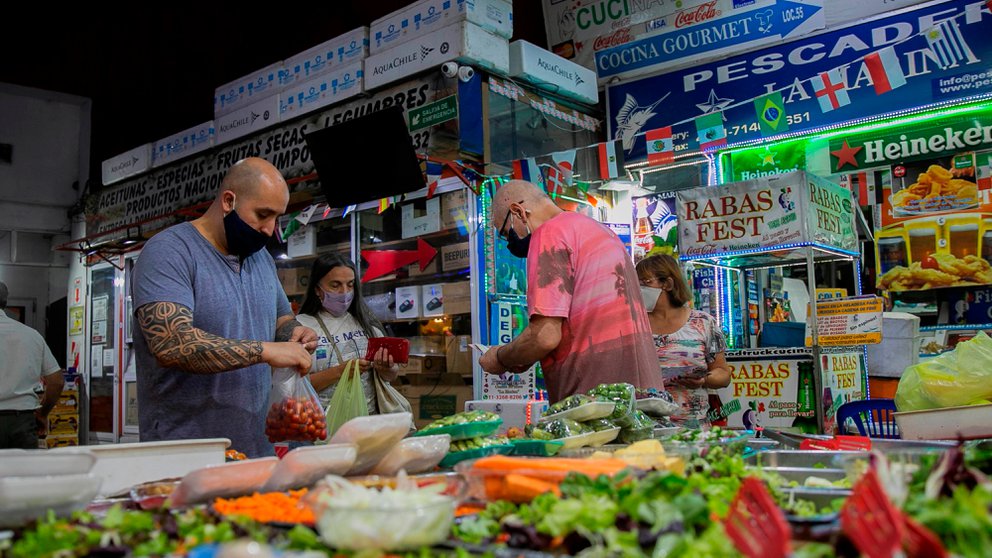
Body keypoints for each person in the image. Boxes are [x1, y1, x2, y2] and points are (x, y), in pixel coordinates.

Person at [132, 158, 317, 458]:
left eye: (277, 218)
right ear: (229, 201)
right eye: (263, 215)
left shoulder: (261, 260)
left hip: (255, 450)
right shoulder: (170, 252)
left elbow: (281, 319)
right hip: (183, 454)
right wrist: (265, 351)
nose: (270, 230)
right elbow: (170, 344)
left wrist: (296, 334)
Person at [479, 180, 664, 402]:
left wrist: (500, 357)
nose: (510, 243)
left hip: (595, 402)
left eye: (505, 232)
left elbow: (544, 336)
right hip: (642, 393)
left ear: (518, 212)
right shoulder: (597, 229)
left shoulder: (548, 235)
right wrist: (524, 355)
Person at [295, 253, 397, 413]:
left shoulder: (368, 323)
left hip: (369, 420)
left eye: (350, 285)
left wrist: (386, 368)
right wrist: (339, 372)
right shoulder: (301, 327)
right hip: (323, 425)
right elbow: (294, 387)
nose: (344, 292)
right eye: (335, 285)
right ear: (317, 289)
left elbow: (390, 377)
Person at [635, 254, 731, 424]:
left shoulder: (703, 322)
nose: (639, 288)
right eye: (637, 283)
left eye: (645, 282)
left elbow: (723, 374)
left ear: (668, 284)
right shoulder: (633, 325)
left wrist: (704, 380)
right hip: (645, 429)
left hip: (693, 430)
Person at [0, 281, 65, 449]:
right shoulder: (31, 335)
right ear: (5, 303)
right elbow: (56, 381)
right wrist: (43, 413)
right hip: (22, 423)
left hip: (22, 421)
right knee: (24, 474)